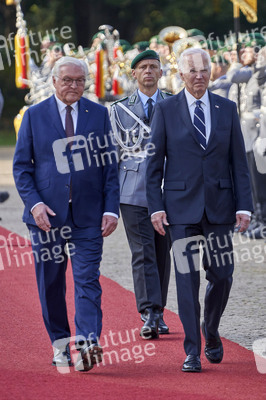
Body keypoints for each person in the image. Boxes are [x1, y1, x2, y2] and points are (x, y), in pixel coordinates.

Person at [146, 48, 253, 372]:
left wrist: (245, 206)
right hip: (180, 211)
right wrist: (156, 208)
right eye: (192, 71)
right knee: (185, 280)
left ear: (211, 72)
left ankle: (211, 329)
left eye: (204, 70)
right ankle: (192, 350)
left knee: (222, 275)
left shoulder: (226, 108)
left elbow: (239, 163)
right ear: (181, 75)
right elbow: (153, 166)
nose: (199, 76)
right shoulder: (166, 109)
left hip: (220, 208)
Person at [13, 56, 120, 371]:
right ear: (55, 81)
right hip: (47, 218)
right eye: (67, 80)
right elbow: (21, 168)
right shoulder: (33, 116)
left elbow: (110, 167)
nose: (74, 86)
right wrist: (34, 204)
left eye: (79, 80)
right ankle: (60, 344)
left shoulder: (99, 114)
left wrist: (111, 209)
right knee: (51, 284)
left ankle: (88, 342)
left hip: (89, 215)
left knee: (87, 279)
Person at [110, 50, 171, 339]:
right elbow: (111, 156)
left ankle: (160, 309)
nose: (148, 71)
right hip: (132, 189)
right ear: (133, 73)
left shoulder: (174, 104)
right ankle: (150, 313)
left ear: (161, 73)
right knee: (142, 251)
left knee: (162, 252)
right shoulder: (119, 109)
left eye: (153, 67)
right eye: (143, 67)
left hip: (169, 190)